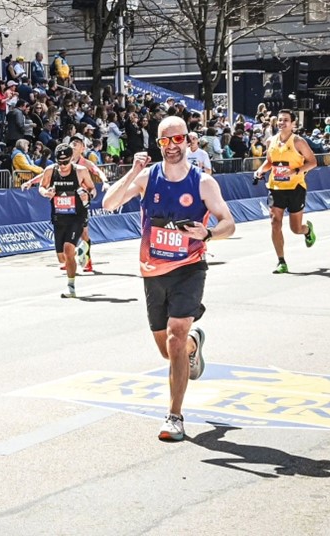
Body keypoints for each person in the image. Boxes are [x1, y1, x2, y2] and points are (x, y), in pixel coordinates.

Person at [102, 116, 235, 441]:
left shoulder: (203, 183)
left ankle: (174, 416)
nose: (172, 146)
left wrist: (208, 234)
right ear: (158, 144)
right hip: (153, 271)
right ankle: (194, 344)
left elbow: (228, 223)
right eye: (165, 141)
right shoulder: (148, 177)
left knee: (176, 334)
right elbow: (109, 203)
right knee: (169, 350)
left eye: (178, 139)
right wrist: (133, 171)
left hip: (189, 268)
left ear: (189, 141)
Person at [254, 109, 317, 274]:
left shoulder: (298, 142)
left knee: (295, 229)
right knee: (275, 222)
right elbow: (269, 162)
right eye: (280, 120)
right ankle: (281, 261)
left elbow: (312, 162)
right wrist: (260, 170)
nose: (282, 123)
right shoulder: (271, 141)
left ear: (293, 124)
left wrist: (296, 172)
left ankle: (307, 230)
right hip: (275, 187)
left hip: (295, 188)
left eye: (286, 120)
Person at [39, 143, 96, 298]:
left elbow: (92, 189)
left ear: (72, 159)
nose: (63, 166)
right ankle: (81, 251)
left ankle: (71, 288)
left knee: (67, 249)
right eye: (60, 162)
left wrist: (87, 195)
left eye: (66, 162)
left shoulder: (80, 171)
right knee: (62, 257)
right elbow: (41, 187)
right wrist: (46, 193)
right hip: (59, 217)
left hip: (77, 216)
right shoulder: (50, 170)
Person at [70, 133, 110, 272]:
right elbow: (48, 173)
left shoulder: (85, 163)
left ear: (83, 148)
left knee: (84, 233)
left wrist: (105, 182)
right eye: (72, 142)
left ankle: (87, 261)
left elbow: (98, 171)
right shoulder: (64, 161)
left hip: (83, 199)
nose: (73, 144)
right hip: (68, 200)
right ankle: (68, 258)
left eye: (77, 143)